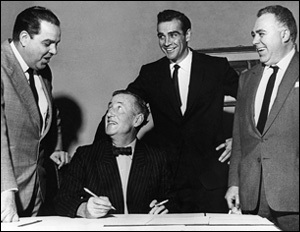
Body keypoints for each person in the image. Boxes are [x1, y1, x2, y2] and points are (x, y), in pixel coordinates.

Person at [94, 9, 239, 213]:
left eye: (173, 35)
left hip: (211, 179)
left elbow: (252, 103)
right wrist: (97, 152)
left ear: (187, 35)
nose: (166, 42)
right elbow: (122, 105)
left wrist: (240, 141)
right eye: (161, 36)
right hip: (168, 183)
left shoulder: (215, 67)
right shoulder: (151, 73)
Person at [225, 5, 299, 231]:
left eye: (261, 34)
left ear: (285, 34)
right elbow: (239, 138)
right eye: (253, 35)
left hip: (293, 200)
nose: (255, 41)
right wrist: (234, 184)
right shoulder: (247, 79)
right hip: (251, 198)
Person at [55, 90, 175, 218]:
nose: (110, 113)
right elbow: (62, 200)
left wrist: (165, 208)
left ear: (137, 120)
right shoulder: (85, 155)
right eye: (109, 107)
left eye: (119, 108)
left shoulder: (157, 158)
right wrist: (85, 209)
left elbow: (172, 199)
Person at [1, 6, 70, 222]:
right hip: (7, 195)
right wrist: (5, 191)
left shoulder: (43, 71)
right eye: (47, 43)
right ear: (24, 38)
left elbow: (50, 113)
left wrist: (55, 147)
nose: (54, 51)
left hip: (36, 190)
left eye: (56, 44)